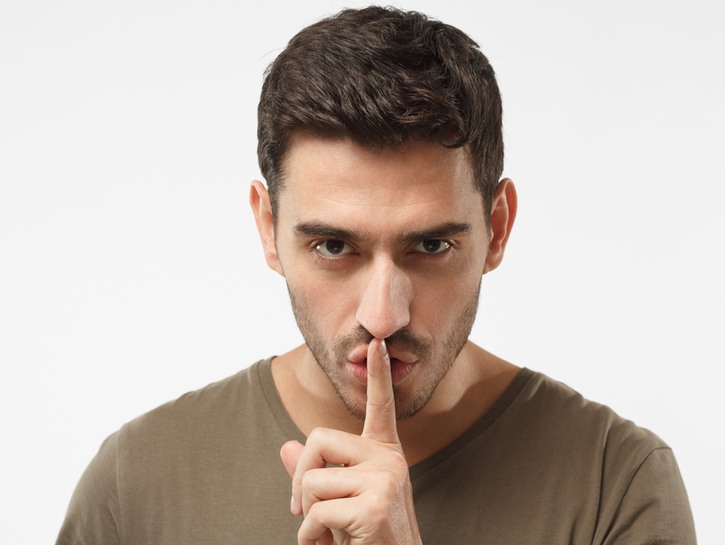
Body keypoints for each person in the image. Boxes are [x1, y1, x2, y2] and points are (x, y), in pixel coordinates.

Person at [56, 6, 696, 544]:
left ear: (497, 228)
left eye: (431, 245)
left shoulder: (616, 483)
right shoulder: (136, 486)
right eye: (334, 246)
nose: (383, 316)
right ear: (268, 228)